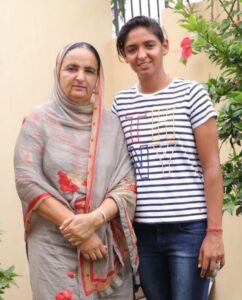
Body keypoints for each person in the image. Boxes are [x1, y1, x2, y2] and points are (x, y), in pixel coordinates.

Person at [112, 16, 225, 300]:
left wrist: (214, 233)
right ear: (124, 55)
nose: (142, 55)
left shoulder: (192, 94)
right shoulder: (121, 104)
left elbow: (211, 167)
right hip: (144, 234)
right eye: (132, 49)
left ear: (165, 45)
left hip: (190, 230)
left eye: (149, 45)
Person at [14, 42, 138, 300]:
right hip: (53, 248)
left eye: (89, 70)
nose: (80, 77)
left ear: (97, 78)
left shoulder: (112, 125)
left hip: (104, 246)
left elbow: (126, 184)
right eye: (72, 68)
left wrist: (93, 222)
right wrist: (78, 232)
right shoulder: (38, 122)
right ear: (58, 72)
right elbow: (27, 181)